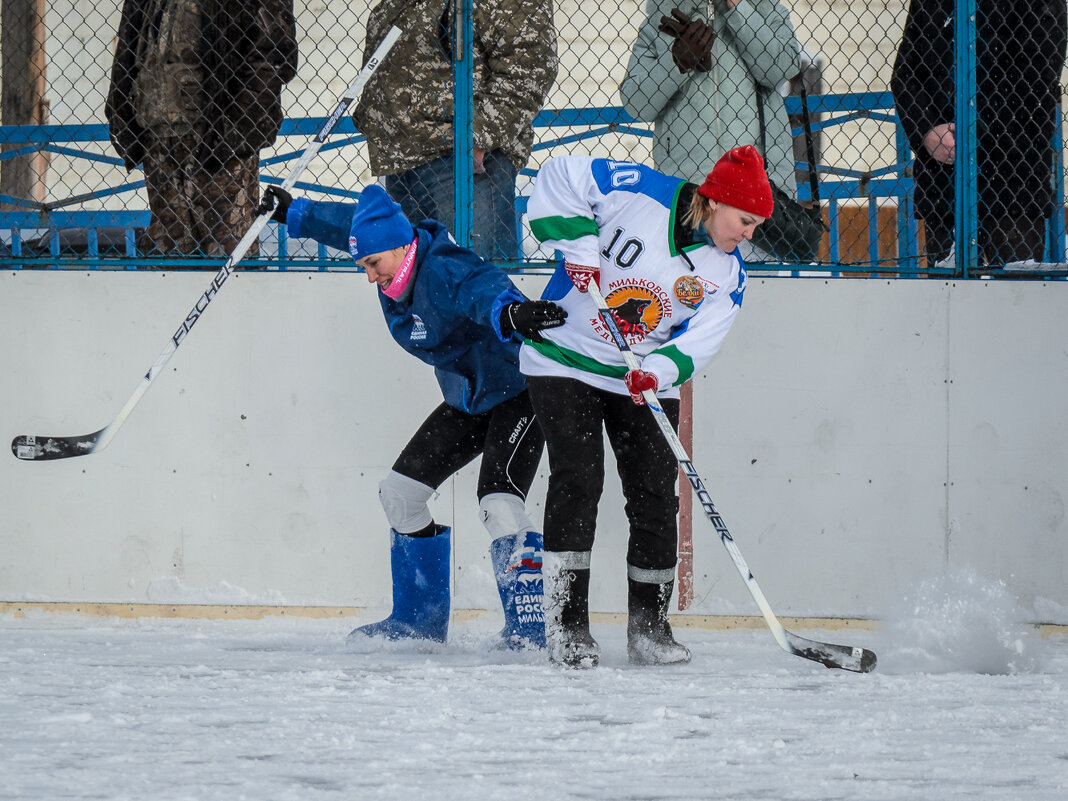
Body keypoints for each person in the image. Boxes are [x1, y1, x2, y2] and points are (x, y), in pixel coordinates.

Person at [257, 183, 567, 649]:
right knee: (400, 496)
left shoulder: (442, 268)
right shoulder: (389, 249)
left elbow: (481, 288)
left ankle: (532, 631)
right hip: (469, 397)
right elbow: (348, 228)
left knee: (499, 504)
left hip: (520, 390)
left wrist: (511, 313)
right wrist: (292, 213)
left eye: (371, 265)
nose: (368, 277)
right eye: (362, 265)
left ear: (399, 248)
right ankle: (418, 621)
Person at [522, 147, 771, 668]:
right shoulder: (639, 189)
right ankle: (567, 628)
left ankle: (650, 629)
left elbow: (701, 340)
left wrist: (656, 371)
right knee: (579, 481)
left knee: (655, 494)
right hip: (563, 360)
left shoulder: (726, 273)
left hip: (639, 376)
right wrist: (580, 246)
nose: (749, 234)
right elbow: (560, 174)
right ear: (716, 202)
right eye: (746, 221)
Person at [351, 0, 559, 263]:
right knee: (421, 284)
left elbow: (530, 67)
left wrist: (479, 137)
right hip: (401, 163)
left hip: (461, 161)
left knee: (476, 278)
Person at [106, 0, 298, 259]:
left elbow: (272, 52)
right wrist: (120, 114)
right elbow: (130, 41)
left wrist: (236, 130)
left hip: (219, 138)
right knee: (168, 257)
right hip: (158, 135)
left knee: (229, 257)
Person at [891, 0, 1068, 268]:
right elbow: (905, 73)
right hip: (944, 183)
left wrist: (970, 129)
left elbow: (1037, 73)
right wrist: (928, 132)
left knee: (1015, 294)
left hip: (1012, 177)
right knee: (946, 298)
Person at [620, 0, 800, 261]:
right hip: (689, 196)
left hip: (756, 195)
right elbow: (636, 103)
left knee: (763, 292)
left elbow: (781, 68)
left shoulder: (765, 8)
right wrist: (676, 63)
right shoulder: (662, 15)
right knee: (686, 292)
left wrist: (738, 9)